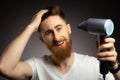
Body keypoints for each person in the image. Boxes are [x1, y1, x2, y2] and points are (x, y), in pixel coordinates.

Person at [0, 5, 120, 80]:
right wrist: (31, 27)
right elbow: (4, 68)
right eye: (48, 33)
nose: (56, 38)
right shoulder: (36, 67)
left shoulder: (93, 65)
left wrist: (114, 67)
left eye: (59, 28)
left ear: (69, 29)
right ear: (42, 40)